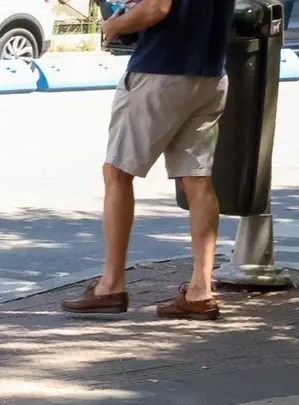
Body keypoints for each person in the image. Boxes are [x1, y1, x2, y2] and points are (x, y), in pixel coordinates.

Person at [64, 0, 232, 320]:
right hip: (211, 74)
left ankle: (110, 286)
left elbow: (157, 9)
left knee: (117, 172)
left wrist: (113, 26)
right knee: (197, 181)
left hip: (160, 71)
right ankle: (200, 291)